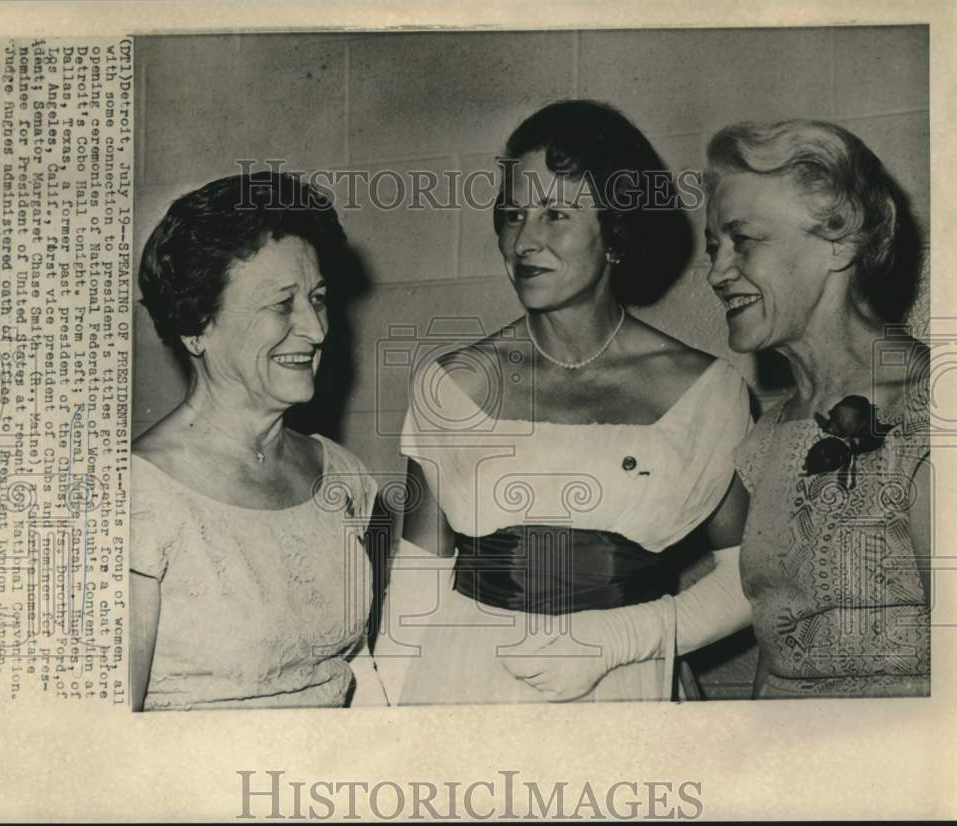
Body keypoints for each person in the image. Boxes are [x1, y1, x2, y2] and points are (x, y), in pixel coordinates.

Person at [376, 100, 756, 705]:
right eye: (512, 214)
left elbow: (749, 579)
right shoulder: (452, 385)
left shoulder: (706, 393)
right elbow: (418, 579)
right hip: (462, 689)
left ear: (616, 231)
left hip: (627, 689)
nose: (524, 241)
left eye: (555, 214)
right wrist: (378, 725)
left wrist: (622, 637)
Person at [129, 172, 382, 711]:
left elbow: (362, 675)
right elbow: (101, 744)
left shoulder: (343, 476)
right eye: (282, 304)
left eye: (318, 299)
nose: (316, 329)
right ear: (197, 325)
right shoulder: (136, 498)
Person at [703, 119, 930, 698]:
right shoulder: (769, 436)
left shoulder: (932, 411)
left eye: (742, 239)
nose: (716, 272)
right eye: (714, 247)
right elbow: (778, 655)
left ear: (840, 238)